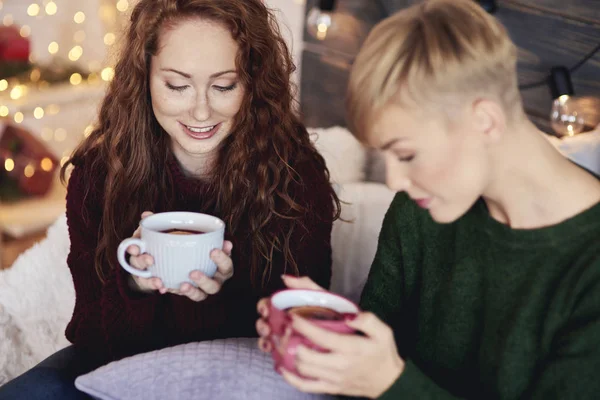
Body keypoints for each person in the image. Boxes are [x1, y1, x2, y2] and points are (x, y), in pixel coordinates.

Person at [256, 0, 600, 398]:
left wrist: (390, 384)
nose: (396, 181)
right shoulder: (419, 210)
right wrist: (329, 331)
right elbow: (372, 361)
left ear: (484, 120)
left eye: (406, 155)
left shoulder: (588, 266)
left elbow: (387, 380)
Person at [0, 0, 340, 398]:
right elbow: (92, 338)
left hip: (241, 374)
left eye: (224, 85)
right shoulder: (100, 174)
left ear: (252, 82)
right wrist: (136, 287)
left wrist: (223, 294)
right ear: (144, 78)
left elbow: (301, 333)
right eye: (177, 85)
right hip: (115, 366)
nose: (200, 110)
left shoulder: (294, 175)